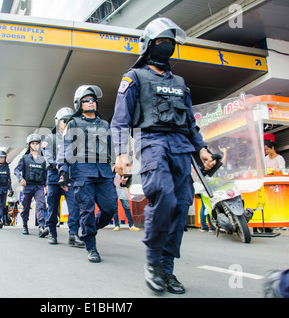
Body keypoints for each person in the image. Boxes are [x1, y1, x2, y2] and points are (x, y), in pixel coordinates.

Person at [110, 17, 216, 293]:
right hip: (152, 143)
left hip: (181, 147)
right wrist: (120, 153)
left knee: (181, 206)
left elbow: (191, 123)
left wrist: (202, 149)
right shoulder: (133, 77)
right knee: (165, 197)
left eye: (171, 42)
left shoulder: (181, 82)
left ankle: (167, 270)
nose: (166, 46)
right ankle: (153, 263)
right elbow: (120, 120)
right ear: (148, 45)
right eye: (161, 42)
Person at [57, 85, 118, 263]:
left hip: (104, 172)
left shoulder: (104, 124)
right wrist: (63, 171)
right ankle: (91, 246)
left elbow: (111, 147)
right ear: (79, 104)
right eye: (86, 100)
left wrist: (119, 165)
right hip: (82, 171)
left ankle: (89, 229)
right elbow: (67, 147)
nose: (91, 102)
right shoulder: (74, 123)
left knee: (110, 208)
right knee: (87, 209)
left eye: (93, 100)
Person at [42, 107, 84, 246]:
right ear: (57, 122)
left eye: (69, 120)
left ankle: (73, 234)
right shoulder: (50, 138)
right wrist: (59, 166)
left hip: (70, 178)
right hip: (55, 177)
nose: (66, 123)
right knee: (53, 206)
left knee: (74, 205)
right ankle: (52, 232)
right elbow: (48, 156)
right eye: (64, 121)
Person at [14, 134, 49, 237]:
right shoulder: (24, 158)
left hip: (39, 187)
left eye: (37, 143)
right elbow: (16, 170)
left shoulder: (42, 159)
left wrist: (46, 185)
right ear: (29, 145)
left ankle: (41, 227)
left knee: (41, 206)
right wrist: (21, 179)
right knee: (25, 207)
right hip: (28, 186)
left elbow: (45, 173)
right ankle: (25, 225)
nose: (35, 145)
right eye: (33, 143)